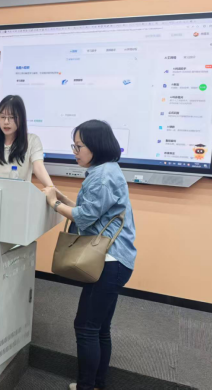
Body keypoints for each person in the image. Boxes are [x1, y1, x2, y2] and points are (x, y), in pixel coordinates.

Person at [43, 120, 137, 391]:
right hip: (116, 261)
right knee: (99, 328)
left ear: (96, 145)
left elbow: (84, 217)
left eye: (79, 146)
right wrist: (62, 199)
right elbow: (93, 212)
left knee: (86, 327)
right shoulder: (107, 170)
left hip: (108, 262)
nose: (75, 151)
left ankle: (87, 387)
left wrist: (54, 203)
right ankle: (96, 385)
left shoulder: (102, 176)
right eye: (74, 145)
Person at [0, 95, 55, 188]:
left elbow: (39, 168)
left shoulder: (32, 141)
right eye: (2, 117)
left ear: (21, 119)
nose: (6, 122)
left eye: (12, 117)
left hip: (20, 195)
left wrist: (51, 188)